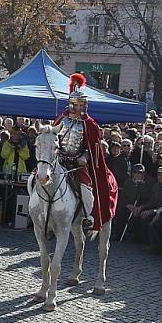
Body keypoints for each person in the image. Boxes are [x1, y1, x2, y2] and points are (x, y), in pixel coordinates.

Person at [55, 73, 118, 231]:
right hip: (60, 161)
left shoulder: (89, 124)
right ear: (71, 104)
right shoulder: (61, 120)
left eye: (82, 105)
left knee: (86, 186)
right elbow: (53, 139)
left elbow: (94, 148)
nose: (79, 108)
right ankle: (38, 211)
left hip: (78, 163)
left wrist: (84, 156)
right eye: (77, 105)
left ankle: (88, 216)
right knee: (38, 178)